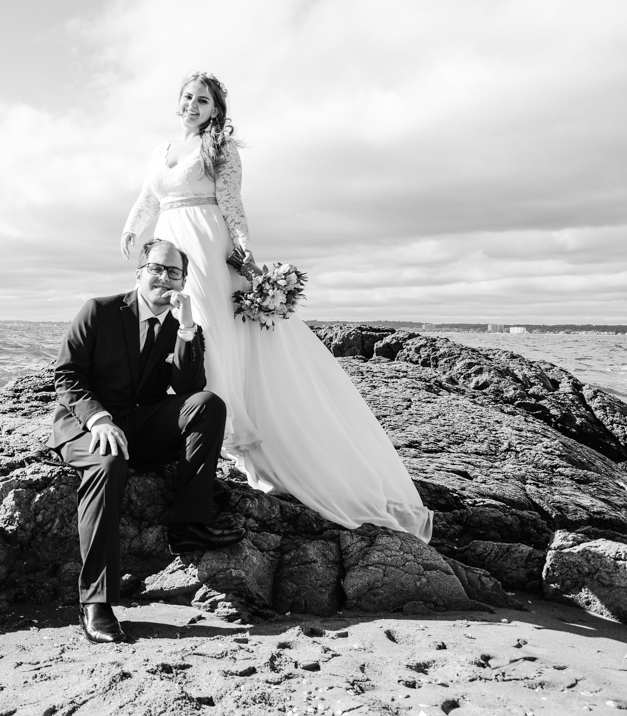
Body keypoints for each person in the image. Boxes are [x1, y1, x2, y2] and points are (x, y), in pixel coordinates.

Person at [120, 71, 433, 543]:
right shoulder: (161, 149)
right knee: (168, 330)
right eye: (187, 97)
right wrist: (131, 228)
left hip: (204, 247)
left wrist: (244, 251)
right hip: (168, 243)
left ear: (216, 109)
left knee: (207, 335)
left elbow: (232, 203)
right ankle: (184, 421)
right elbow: (148, 197)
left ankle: (215, 431)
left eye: (203, 100)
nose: (192, 105)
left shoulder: (220, 147)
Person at [50, 238, 246, 643]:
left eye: (174, 272)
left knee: (208, 404)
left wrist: (187, 329)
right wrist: (99, 420)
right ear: (140, 272)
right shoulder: (99, 310)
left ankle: (187, 526)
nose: (164, 278)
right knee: (109, 464)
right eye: (157, 268)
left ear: (183, 281)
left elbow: (189, 388)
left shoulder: (182, 326)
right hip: (87, 425)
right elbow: (67, 376)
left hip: (142, 423)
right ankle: (96, 602)